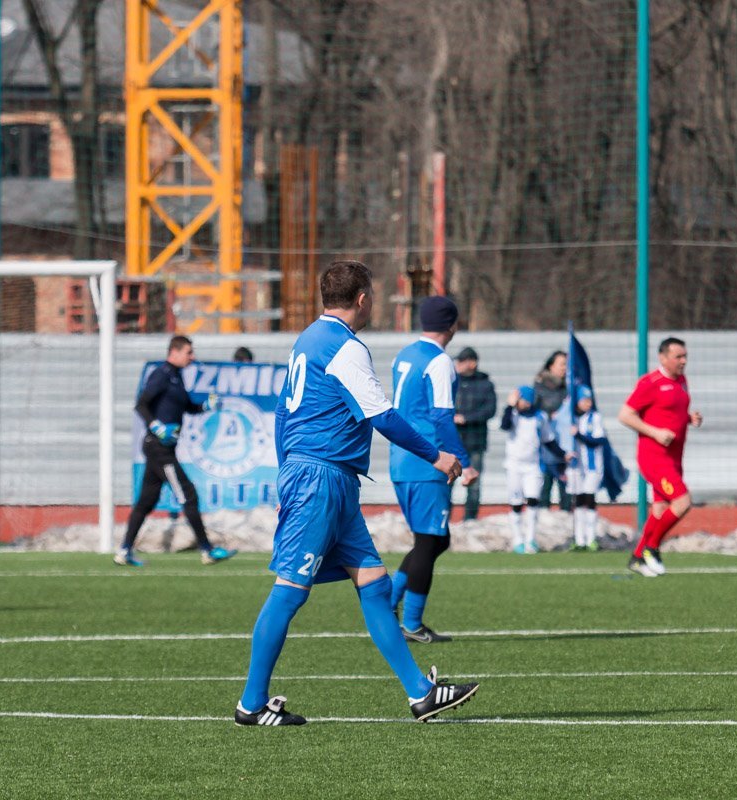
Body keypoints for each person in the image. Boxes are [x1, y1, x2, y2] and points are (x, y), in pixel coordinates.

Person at [235, 261, 478, 726]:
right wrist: (437, 456)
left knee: (375, 583)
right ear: (363, 298)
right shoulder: (345, 348)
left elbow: (283, 415)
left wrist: (290, 466)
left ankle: (422, 695)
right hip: (321, 479)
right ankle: (250, 703)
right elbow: (382, 416)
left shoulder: (307, 339)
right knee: (290, 589)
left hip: (331, 479)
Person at [388, 297, 479, 643]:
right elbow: (441, 418)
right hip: (427, 461)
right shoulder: (440, 362)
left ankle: (390, 606)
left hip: (403, 459)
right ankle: (411, 624)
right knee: (429, 541)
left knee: (436, 540)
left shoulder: (405, 354)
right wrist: (464, 464)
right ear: (452, 325)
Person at [116, 335, 237, 567]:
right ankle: (207, 550)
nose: (192, 357)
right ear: (175, 352)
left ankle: (124, 551)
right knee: (188, 494)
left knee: (146, 502)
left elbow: (187, 407)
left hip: (161, 448)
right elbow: (141, 404)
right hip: (159, 448)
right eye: (188, 352)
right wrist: (156, 426)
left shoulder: (176, 377)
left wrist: (206, 406)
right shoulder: (161, 375)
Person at [618, 337, 703, 577]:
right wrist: (654, 432)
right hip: (654, 458)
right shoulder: (650, 383)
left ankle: (637, 558)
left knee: (660, 509)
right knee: (682, 502)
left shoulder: (682, 381)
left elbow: (671, 413)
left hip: (675, 457)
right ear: (663, 357)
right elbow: (625, 415)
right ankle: (651, 548)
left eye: (685, 356)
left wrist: (689, 419)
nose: (684, 361)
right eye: (678, 357)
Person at [500, 386, 565, 554]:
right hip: (514, 465)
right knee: (515, 502)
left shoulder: (540, 417)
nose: (522, 403)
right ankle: (518, 539)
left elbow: (548, 440)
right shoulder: (512, 414)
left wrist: (563, 454)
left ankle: (531, 539)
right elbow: (504, 425)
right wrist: (509, 405)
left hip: (533, 465)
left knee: (533, 499)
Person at [453, 346, 496, 520]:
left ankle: (470, 522)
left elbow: (489, 410)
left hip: (475, 442)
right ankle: (444, 522)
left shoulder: (485, 384)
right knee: (447, 483)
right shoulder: (451, 381)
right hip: (453, 443)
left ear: (472, 363)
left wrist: (466, 418)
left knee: (474, 485)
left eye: (462, 361)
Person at [566, 385, 606, 551]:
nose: (588, 403)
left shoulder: (595, 418)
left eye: (590, 400)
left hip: (592, 466)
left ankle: (591, 537)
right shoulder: (570, 418)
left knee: (590, 499)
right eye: (584, 400)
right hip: (576, 467)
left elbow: (597, 440)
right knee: (578, 500)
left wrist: (579, 435)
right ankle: (579, 538)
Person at [533, 351, 571, 512]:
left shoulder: (570, 388)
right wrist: (551, 415)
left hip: (566, 444)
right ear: (551, 366)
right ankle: (543, 524)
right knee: (544, 487)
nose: (565, 368)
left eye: (567, 364)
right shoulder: (540, 387)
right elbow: (534, 412)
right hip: (546, 447)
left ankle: (568, 523)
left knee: (567, 490)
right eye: (562, 364)